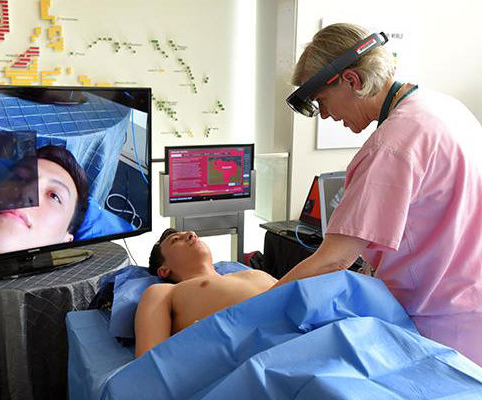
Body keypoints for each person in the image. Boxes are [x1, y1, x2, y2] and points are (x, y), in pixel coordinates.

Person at [274, 23, 482, 365]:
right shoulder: (446, 108)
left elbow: (334, 259)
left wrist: (256, 306)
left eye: (323, 102)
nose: (326, 115)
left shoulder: (392, 146)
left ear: (352, 81)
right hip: (470, 313)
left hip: (433, 325)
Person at [134, 228, 277, 358]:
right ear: (164, 270)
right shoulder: (164, 292)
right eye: (176, 240)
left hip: (294, 328)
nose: (192, 234)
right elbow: (148, 363)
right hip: (263, 348)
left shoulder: (253, 273)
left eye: (190, 234)